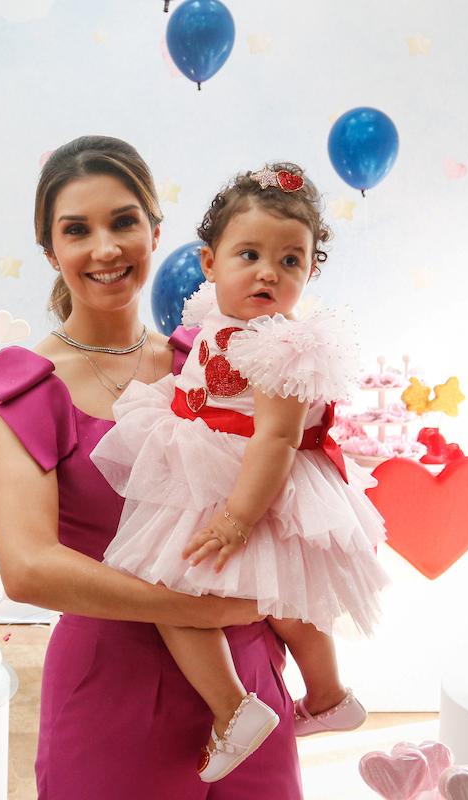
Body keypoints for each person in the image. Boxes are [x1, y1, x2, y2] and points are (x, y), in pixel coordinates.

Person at [0, 136, 303, 798]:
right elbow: (29, 568)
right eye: (76, 230)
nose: (105, 248)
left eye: (122, 222)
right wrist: (199, 611)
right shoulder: (26, 386)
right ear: (50, 251)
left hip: (250, 684)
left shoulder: (206, 360)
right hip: (112, 693)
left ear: (155, 230)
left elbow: (289, 484)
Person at [91, 164, 388, 781]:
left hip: (243, 483)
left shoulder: (283, 345)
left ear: (309, 272)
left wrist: (235, 519)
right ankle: (330, 696)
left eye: (289, 261)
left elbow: (277, 438)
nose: (267, 272)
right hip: (209, 462)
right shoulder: (214, 320)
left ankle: (235, 710)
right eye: (248, 254)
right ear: (210, 262)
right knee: (285, 603)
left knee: (170, 590)